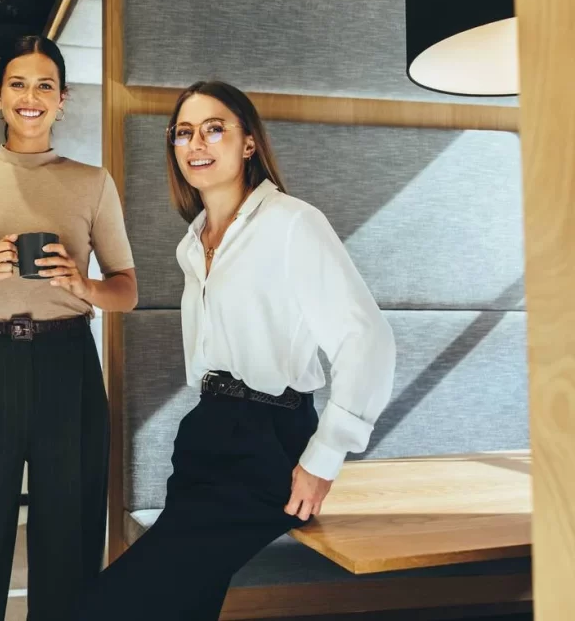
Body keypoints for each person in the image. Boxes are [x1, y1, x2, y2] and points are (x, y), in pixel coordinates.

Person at [75, 80, 396, 620]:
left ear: (249, 143)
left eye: (214, 128)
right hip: (206, 431)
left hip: (270, 443)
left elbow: (367, 339)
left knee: (110, 607)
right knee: (183, 609)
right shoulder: (192, 242)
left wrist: (325, 454)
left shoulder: (293, 223)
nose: (196, 143)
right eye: (183, 133)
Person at [0, 35, 138, 621]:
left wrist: (81, 285)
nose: (30, 97)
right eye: (18, 84)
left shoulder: (93, 182)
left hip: (69, 366)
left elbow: (127, 290)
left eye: (44, 86)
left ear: (63, 100)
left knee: (69, 537)